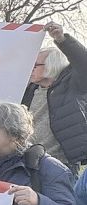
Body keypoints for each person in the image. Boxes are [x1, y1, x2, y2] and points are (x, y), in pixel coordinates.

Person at [23, 21, 87, 173]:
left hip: (60, 163)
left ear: (51, 65)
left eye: (35, 65)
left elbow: (83, 62)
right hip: (26, 160)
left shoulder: (72, 84)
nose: (30, 68)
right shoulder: (29, 89)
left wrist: (61, 39)